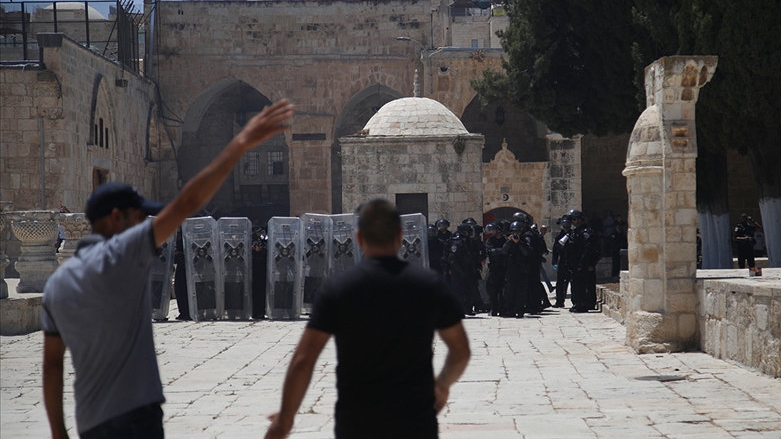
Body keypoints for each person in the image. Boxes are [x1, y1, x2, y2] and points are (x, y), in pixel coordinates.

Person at [41, 100, 295, 439]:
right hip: (136, 417)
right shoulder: (123, 254)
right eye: (138, 217)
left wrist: (59, 433)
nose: (144, 225)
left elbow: (52, 363)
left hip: (91, 422)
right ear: (117, 218)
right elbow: (188, 203)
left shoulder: (57, 285)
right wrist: (240, 144)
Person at [265, 199, 471, 439]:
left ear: (359, 238)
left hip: (358, 422)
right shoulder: (429, 286)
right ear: (400, 236)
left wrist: (285, 419)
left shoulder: (339, 289)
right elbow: (460, 351)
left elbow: (303, 360)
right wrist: (442, 385)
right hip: (414, 421)